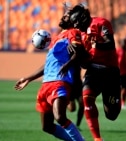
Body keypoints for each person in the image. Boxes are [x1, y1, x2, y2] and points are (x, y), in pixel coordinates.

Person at [14, 4, 91, 141]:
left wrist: (67, 65)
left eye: (67, 16)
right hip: (46, 84)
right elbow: (48, 65)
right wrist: (28, 78)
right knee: (47, 127)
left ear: (73, 21)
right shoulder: (56, 38)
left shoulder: (72, 33)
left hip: (59, 81)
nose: (63, 17)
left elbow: (79, 52)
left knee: (60, 117)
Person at [77, 17, 122, 141]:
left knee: (112, 115)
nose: (76, 24)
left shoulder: (101, 23)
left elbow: (110, 43)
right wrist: (81, 56)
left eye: (77, 22)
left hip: (110, 71)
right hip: (93, 71)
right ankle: (97, 139)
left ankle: (115, 91)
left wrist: (95, 43)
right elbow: (85, 64)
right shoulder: (79, 35)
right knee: (86, 97)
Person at [67, 65, 84, 131]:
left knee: (82, 104)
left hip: (79, 85)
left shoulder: (78, 59)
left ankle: (77, 125)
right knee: (72, 109)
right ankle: (64, 102)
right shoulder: (67, 60)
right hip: (70, 86)